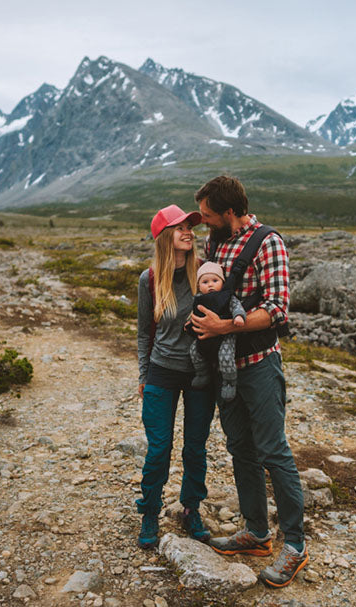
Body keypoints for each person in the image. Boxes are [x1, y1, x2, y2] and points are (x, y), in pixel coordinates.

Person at [189, 175, 308, 588]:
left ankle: (294, 545)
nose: (203, 223)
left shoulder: (268, 242)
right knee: (240, 447)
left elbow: (277, 309)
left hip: (259, 362)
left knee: (273, 450)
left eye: (207, 216)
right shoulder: (216, 243)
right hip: (226, 368)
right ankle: (257, 533)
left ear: (228, 212)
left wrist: (224, 326)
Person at [135, 204, 215, 549]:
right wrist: (143, 374)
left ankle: (190, 508)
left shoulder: (204, 273)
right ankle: (150, 511)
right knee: (159, 449)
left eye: (190, 226)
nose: (189, 231)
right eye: (181, 227)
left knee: (195, 448)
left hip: (200, 374)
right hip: (161, 371)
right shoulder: (150, 279)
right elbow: (142, 333)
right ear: (164, 237)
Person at [186, 261, 246, 401]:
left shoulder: (226, 296)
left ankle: (229, 382)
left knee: (226, 356)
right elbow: (194, 313)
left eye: (215, 280)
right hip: (205, 335)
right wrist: (189, 323)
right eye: (205, 282)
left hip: (226, 335)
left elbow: (236, 306)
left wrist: (238, 317)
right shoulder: (198, 298)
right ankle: (202, 373)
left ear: (222, 282)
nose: (210, 284)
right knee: (194, 351)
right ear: (199, 286)